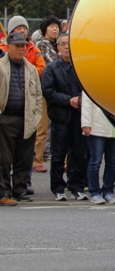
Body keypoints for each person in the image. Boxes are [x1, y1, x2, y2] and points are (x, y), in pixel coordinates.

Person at [41, 33, 88, 201]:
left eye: (69, 43)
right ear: (58, 47)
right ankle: (58, 188)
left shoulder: (81, 67)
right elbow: (48, 91)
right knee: (58, 154)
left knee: (79, 154)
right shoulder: (52, 68)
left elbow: (90, 90)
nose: (66, 47)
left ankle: (77, 186)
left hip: (79, 118)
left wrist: (79, 100)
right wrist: (69, 100)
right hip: (60, 118)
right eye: (63, 44)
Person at [0, 32, 44, 205]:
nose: (21, 49)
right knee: (4, 158)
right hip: (6, 118)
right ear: (8, 47)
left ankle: (20, 189)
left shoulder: (31, 69)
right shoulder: (1, 66)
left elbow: (38, 95)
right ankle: (4, 191)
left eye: (23, 46)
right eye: (17, 46)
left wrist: (36, 117)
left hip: (27, 118)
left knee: (24, 158)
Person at [31, 16, 61, 174]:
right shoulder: (41, 44)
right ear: (45, 29)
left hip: (58, 90)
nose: (55, 29)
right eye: (51, 26)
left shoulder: (59, 44)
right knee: (42, 128)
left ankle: (59, 159)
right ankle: (38, 160)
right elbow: (52, 65)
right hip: (44, 90)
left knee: (58, 127)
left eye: (57, 26)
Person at [80, 91, 115, 204]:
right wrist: (86, 123)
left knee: (112, 162)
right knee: (95, 161)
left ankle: (108, 191)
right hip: (96, 127)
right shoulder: (92, 79)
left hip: (114, 128)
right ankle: (94, 192)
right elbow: (86, 104)